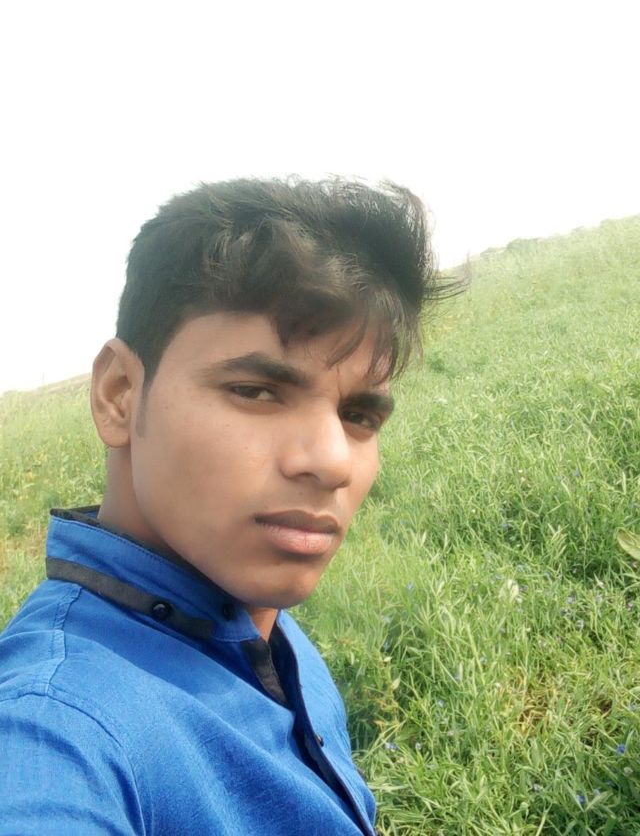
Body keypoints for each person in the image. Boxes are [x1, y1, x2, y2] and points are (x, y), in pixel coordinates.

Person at [0, 177, 443, 834]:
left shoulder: (262, 626)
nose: (333, 461)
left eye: (358, 415)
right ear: (119, 394)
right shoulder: (56, 722)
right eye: (256, 391)